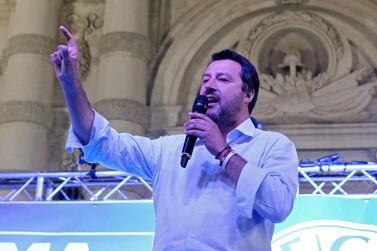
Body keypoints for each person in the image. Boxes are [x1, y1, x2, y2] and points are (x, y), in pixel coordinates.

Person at [50, 25, 298, 251]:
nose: (209, 86)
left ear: (248, 94)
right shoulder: (170, 149)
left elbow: (278, 205)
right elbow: (101, 142)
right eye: (205, 79)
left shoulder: (272, 145)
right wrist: (70, 84)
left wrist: (223, 152)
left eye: (222, 79)